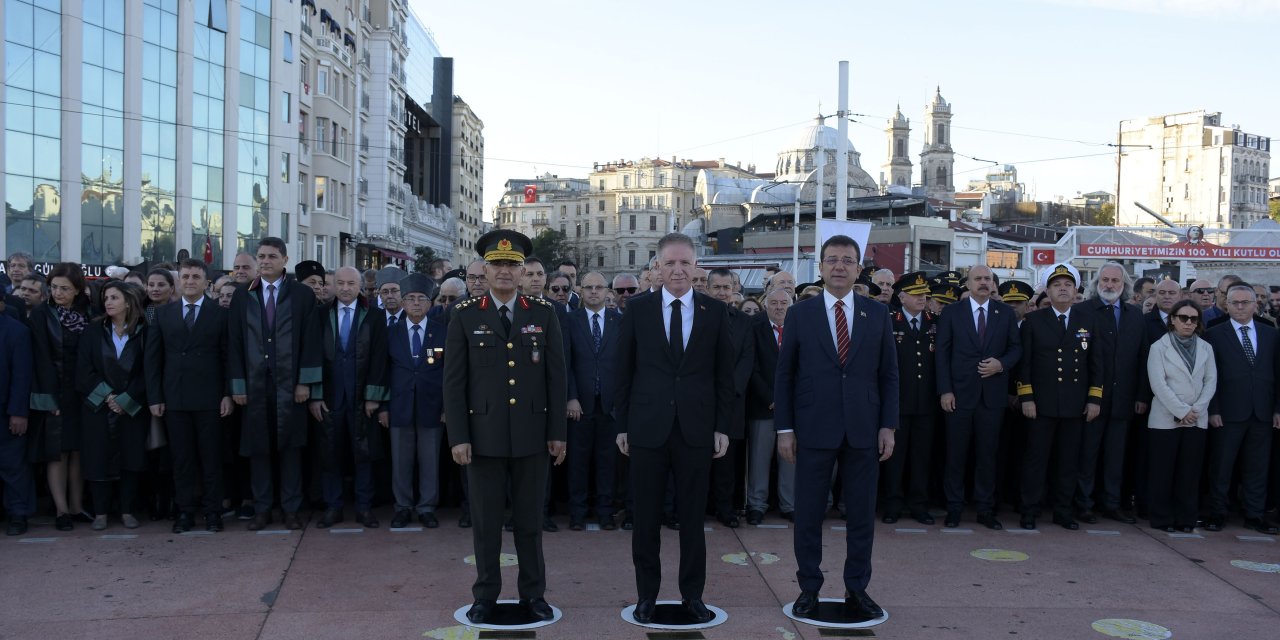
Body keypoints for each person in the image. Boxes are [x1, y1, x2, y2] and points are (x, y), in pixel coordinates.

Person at [444, 230, 567, 625]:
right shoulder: (464, 314)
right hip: (483, 438)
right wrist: (459, 437)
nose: (504, 272)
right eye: (497, 265)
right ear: (483, 268)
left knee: (530, 524)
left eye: (512, 266)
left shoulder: (543, 313)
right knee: (486, 525)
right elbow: (454, 382)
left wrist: (557, 432)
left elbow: (556, 379)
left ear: (522, 271)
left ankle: (534, 595)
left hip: (532, 437)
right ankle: (485, 597)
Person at [775, 235, 897, 622]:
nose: (839, 266)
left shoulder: (876, 314)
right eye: (832, 260)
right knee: (808, 514)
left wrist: (888, 426)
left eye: (847, 260)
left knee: (861, 515)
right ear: (822, 267)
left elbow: (889, 376)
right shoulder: (800, 314)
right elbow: (786, 376)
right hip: (813, 428)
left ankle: (857, 588)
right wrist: (785, 429)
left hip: (863, 428)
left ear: (859, 268)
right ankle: (809, 588)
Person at [615, 232, 734, 625]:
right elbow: (624, 372)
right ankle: (647, 596)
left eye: (685, 263)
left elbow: (723, 375)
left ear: (696, 266)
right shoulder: (637, 309)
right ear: (658, 268)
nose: (678, 270)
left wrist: (721, 426)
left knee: (692, 521)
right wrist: (623, 426)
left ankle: (692, 596)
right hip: (647, 429)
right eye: (670, 264)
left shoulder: (714, 312)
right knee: (646, 520)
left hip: (697, 430)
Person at [228, 237, 318, 531]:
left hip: (289, 385)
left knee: (290, 448)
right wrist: (238, 385)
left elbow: (310, 342)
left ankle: (291, 509)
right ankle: (263, 508)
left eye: (271, 256)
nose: (265, 261)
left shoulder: (301, 295)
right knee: (259, 448)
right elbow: (235, 342)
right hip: (254, 386)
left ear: (285, 260)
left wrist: (305, 382)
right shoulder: (244, 295)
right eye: (261, 256)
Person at [145, 260, 232, 533]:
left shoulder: (219, 314)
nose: (190, 280)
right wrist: (155, 396)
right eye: (185, 276)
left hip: (210, 398)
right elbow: (153, 359)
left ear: (206, 283)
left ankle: (213, 511)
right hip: (175, 398)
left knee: (211, 458)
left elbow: (228, 357)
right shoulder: (164, 314)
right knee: (181, 459)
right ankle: (184, 512)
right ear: (179, 281)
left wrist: (228, 393)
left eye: (196, 276)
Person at [1016, 264, 1103, 531]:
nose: (1063, 289)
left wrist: (1094, 399)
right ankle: (1029, 509)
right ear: (1048, 290)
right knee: (1036, 460)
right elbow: (1025, 363)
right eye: (1057, 285)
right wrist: (1026, 397)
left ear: (1076, 290)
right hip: (1041, 404)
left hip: (1075, 404)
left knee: (1068, 462)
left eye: (1068, 285)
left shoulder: (1087, 321)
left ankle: (1063, 511)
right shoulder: (1033, 321)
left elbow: (1096, 364)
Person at [302, 267, 389, 530]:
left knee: (363, 452)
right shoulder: (319, 315)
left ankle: (364, 507)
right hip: (330, 397)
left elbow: (379, 357)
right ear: (333, 285)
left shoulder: (374, 316)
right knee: (330, 453)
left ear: (360, 285)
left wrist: (374, 396)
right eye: (340, 283)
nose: (345, 287)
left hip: (362, 397)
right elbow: (311, 354)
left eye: (351, 283)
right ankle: (333, 506)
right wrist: (314, 395)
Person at [935, 264, 1020, 529]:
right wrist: (945, 390)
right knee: (956, 455)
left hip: (992, 397)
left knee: (988, 455)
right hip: (959, 395)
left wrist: (1002, 364)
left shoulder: (1005, 313)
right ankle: (954, 508)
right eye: (978, 278)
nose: (984, 282)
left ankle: (985, 509)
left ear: (994, 283)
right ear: (968, 283)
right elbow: (942, 354)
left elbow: (1016, 348)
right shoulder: (952, 312)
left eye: (988, 279)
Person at [1074, 263, 1149, 525]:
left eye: (1115, 281)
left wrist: (1141, 395)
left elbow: (1142, 358)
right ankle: (1084, 504)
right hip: (1091, 400)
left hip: (1124, 399)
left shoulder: (1135, 315)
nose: (1109, 285)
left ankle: (1112, 504)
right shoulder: (1082, 311)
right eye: (1104, 280)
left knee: (1116, 457)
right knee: (1087, 455)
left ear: (1124, 285)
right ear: (1096, 283)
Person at [1203, 283, 1279, 534]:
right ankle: (1217, 512)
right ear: (1227, 304)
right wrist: (1213, 409)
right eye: (1234, 302)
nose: (1240, 307)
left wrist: (1277, 409)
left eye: (1245, 302)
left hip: (1262, 413)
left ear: (1256, 305)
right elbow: (1208, 376)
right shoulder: (1213, 334)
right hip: (1226, 413)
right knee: (1222, 466)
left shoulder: (1271, 334)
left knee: (1257, 467)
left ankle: (1254, 515)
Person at [77, 281, 149, 530]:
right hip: (98, 407)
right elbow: (84, 370)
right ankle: (101, 513)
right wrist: (108, 397)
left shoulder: (144, 331)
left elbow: (147, 371)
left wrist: (126, 400)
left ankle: (128, 510)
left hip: (131, 407)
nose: (108, 302)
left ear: (128, 302)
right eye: (106, 297)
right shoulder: (93, 331)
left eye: (114, 297)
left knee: (130, 458)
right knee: (97, 458)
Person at [29, 263, 94, 530]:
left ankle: (77, 506)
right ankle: (61, 511)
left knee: (78, 451)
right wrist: (49, 398)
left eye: (64, 288)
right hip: (54, 390)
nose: (58, 292)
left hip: (83, 391)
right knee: (57, 452)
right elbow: (40, 358)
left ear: (78, 289)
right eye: (54, 287)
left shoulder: (89, 312)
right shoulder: (41, 314)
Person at [1146, 300, 1216, 533]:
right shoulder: (1158, 347)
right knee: (1162, 471)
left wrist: (1196, 409)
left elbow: (1210, 382)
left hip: (1197, 418)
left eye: (1193, 319)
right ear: (1172, 319)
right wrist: (1182, 411)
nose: (1188, 322)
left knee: (1190, 472)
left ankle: (1186, 519)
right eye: (1183, 318)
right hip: (1166, 419)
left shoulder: (1206, 348)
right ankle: (1161, 518)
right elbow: (1158, 384)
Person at [385, 274, 448, 529]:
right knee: (400, 461)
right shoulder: (391, 332)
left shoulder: (442, 332)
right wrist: (382, 406)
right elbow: (382, 370)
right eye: (410, 299)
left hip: (432, 407)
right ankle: (402, 507)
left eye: (421, 299)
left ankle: (426, 507)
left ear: (430, 304)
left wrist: (446, 407)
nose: (416, 304)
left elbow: (448, 373)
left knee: (430, 460)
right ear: (402, 303)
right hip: (399, 406)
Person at [563, 271, 622, 530]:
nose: (594, 292)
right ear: (580, 290)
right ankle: (577, 513)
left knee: (608, 462)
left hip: (611, 406)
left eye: (599, 287)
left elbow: (626, 365)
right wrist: (572, 397)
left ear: (608, 291)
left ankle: (605, 512)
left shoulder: (620, 321)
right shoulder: (569, 321)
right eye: (588, 287)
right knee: (578, 461)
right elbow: (566, 363)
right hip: (580, 405)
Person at [883, 272, 937, 525]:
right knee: (895, 456)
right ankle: (892, 503)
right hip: (898, 401)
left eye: (924, 294)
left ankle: (918, 504)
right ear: (901, 296)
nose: (921, 298)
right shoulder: (889, 321)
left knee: (922, 456)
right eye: (916, 294)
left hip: (926, 401)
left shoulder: (934, 322)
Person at [707, 268, 755, 529]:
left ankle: (726, 509)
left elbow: (747, 358)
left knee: (727, 462)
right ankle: (697, 507)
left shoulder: (745, 322)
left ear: (734, 289)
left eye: (727, 287)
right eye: (718, 287)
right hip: (700, 401)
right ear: (708, 288)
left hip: (732, 403)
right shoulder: (696, 316)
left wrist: (728, 391)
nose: (723, 293)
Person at [745, 288, 794, 524]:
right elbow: (751, 367)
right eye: (773, 303)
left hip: (794, 408)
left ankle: (789, 504)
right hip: (763, 406)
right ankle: (756, 504)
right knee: (759, 458)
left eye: (783, 303)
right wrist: (770, 398)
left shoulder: (799, 328)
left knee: (790, 457)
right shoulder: (754, 327)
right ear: (766, 305)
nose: (779, 307)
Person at [0, 306, 33, 535]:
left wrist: (18, 412)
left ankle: (18, 514)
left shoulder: (16, 331)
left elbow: (22, 375)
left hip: (6, 411)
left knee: (13, 465)